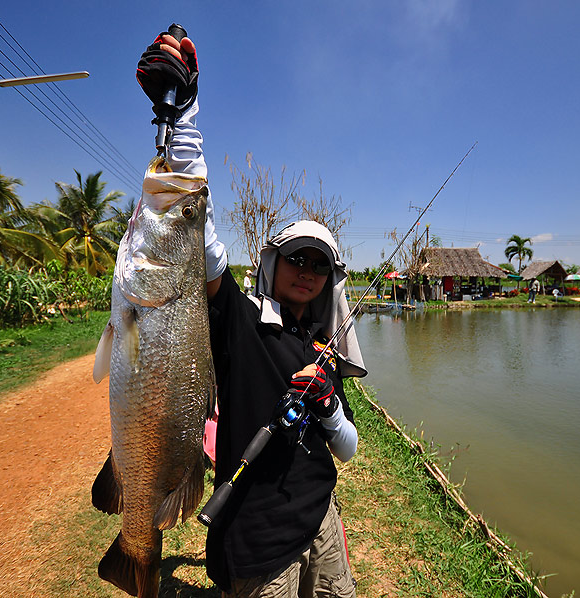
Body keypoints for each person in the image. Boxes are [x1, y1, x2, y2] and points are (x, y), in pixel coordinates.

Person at [138, 30, 366, 597]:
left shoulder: (324, 344)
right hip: (259, 543)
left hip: (322, 522)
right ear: (273, 265)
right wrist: (184, 117)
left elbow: (348, 449)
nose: (307, 271)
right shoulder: (242, 323)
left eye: (319, 264)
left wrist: (330, 407)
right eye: (297, 259)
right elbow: (199, 235)